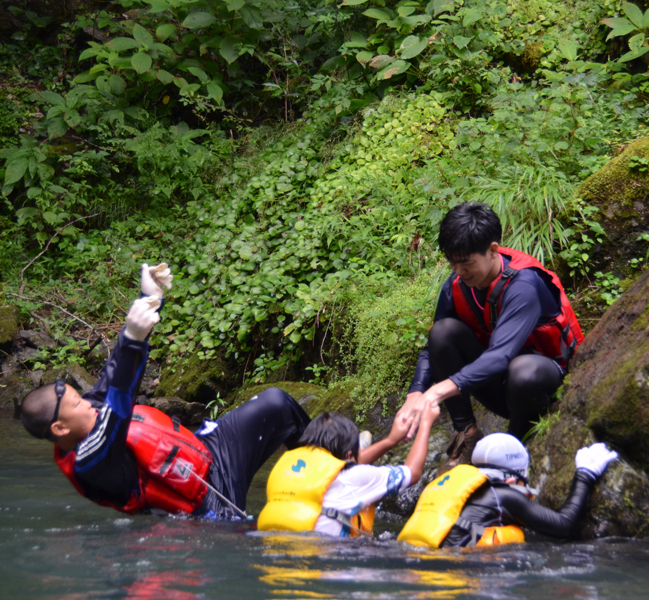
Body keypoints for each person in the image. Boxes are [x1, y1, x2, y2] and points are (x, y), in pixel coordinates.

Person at [19, 262, 310, 520]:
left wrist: (150, 300)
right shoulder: (90, 464)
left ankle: (331, 471)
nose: (86, 403)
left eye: (79, 396)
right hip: (205, 505)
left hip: (209, 453)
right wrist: (134, 338)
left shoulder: (88, 410)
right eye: (76, 404)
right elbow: (118, 407)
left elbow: (114, 371)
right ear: (59, 428)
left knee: (277, 403)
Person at [397, 202, 585, 470]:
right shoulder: (456, 286)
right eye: (452, 262)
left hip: (545, 387)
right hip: (503, 387)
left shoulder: (524, 284)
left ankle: (512, 450)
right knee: (442, 332)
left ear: (493, 250)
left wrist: (436, 392)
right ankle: (467, 436)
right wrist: (416, 392)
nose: (459, 271)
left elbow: (500, 355)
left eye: (466, 262)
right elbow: (432, 350)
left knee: (524, 370)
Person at [398, 434, 618, 548]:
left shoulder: (455, 485)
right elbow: (564, 525)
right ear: (514, 477)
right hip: (451, 569)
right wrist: (585, 475)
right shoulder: (504, 495)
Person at [257, 400, 440, 537]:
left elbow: (345, 466)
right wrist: (426, 423)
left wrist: (391, 441)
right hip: (331, 560)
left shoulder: (287, 467)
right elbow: (413, 472)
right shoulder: (353, 477)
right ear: (348, 454)